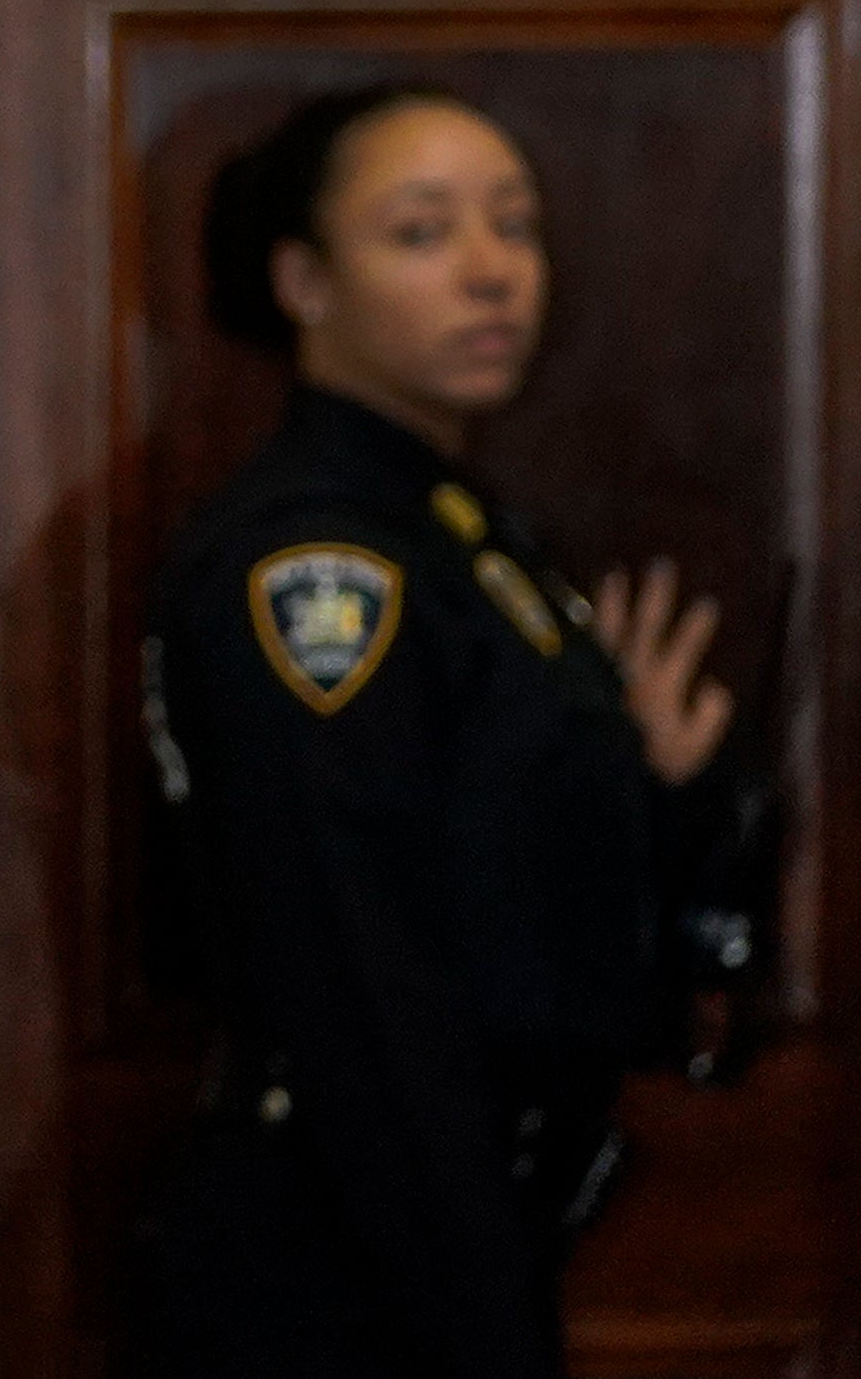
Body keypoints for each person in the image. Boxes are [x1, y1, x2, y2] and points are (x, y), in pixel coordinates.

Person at [137, 85, 774, 1377]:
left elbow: (511, 891)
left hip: (457, 1217)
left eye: (516, 226)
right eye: (422, 233)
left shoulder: (457, 532)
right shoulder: (319, 563)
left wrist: (648, 788)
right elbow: (357, 974)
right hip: (351, 1254)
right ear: (305, 280)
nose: (492, 272)